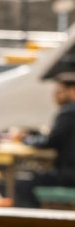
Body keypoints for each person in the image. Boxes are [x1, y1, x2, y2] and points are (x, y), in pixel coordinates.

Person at [16, 74, 75, 208]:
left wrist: (26, 139)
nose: (54, 96)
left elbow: (49, 142)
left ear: (72, 91)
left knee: (23, 183)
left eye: (59, 92)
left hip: (69, 176)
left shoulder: (68, 112)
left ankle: (32, 225)